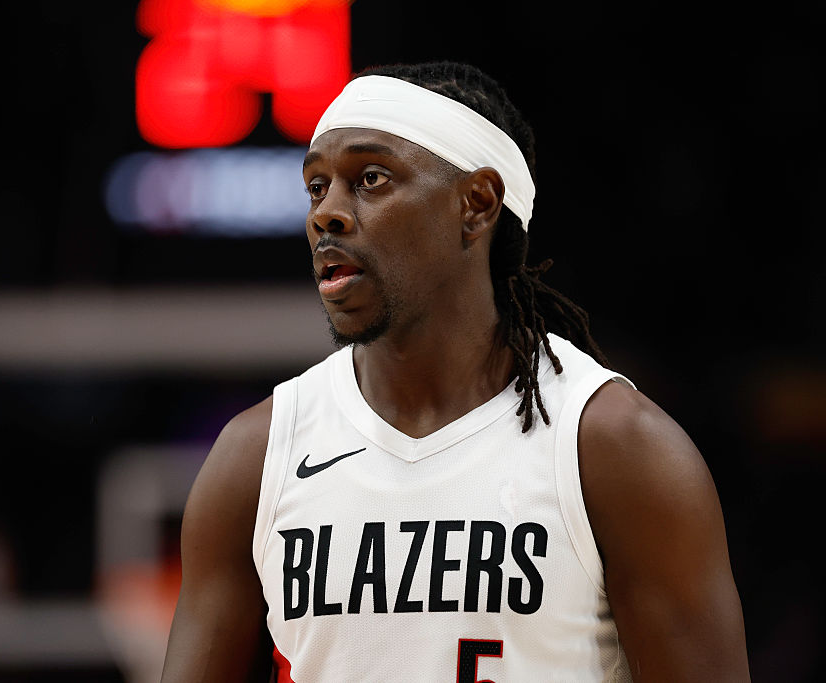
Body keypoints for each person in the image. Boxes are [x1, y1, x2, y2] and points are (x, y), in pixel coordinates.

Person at [160, 61, 750, 682]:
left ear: (476, 204)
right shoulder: (256, 458)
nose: (325, 213)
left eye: (369, 179)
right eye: (316, 187)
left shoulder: (613, 447)